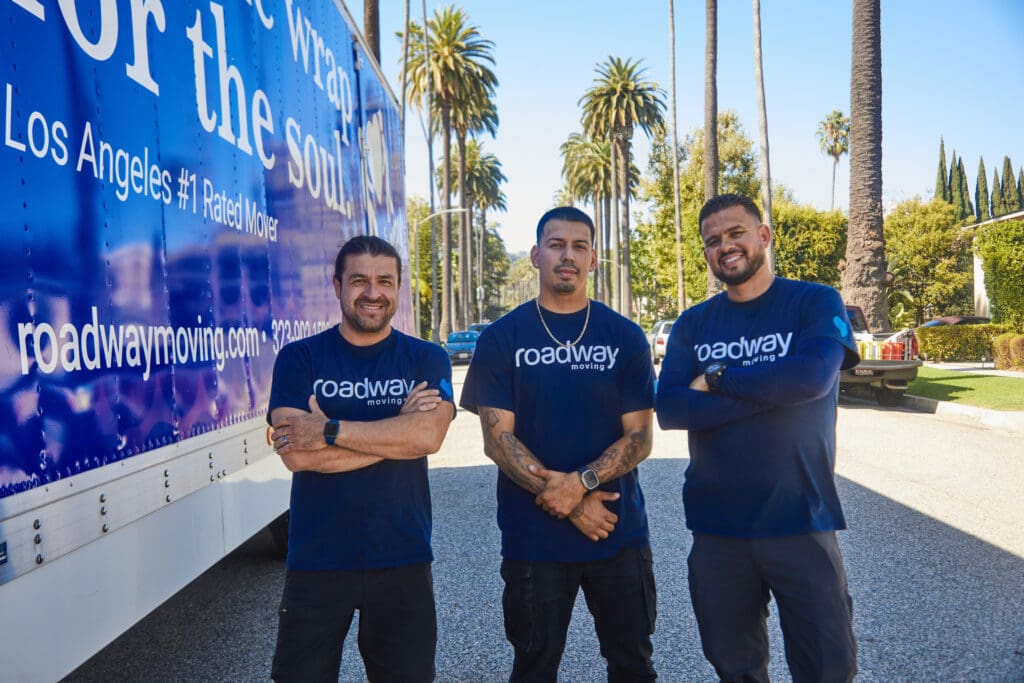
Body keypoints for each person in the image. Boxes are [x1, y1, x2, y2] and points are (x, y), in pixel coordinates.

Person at [655, 194, 859, 683]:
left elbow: (811, 379)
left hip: (802, 520)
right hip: (719, 529)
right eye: (713, 240)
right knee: (736, 669)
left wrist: (719, 377)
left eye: (736, 233)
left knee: (828, 669)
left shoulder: (813, 302)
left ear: (763, 236)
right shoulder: (693, 324)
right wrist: (775, 387)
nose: (726, 246)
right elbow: (672, 408)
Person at [460, 207, 658, 682]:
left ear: (593, 259)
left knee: (633, 666)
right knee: (534, 667)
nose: (567, 256)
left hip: (617, 533)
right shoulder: (501, 339)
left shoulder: (625, 337)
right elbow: (497, 439)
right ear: (535, 255)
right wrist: (571, 504)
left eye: (579, 246)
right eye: (556, 245)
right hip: (534, 542)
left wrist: (584, 482)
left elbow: (640, 437)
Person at [267, 235, 454, 683]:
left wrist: (330, 431)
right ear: (337, 286)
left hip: (402, 558)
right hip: (317, 560)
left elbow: (428, 437)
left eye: (385, 281)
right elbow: (297, 456)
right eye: (359, 281)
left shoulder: (426, 357)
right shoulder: (299, 358)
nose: (373, 293)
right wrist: (395, 435)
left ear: (398, 287)